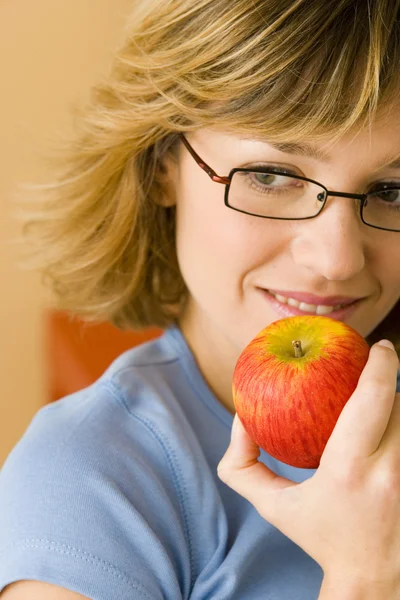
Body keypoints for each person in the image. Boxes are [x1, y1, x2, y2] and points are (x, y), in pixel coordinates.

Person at [1, 0, 400, 598]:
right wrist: (366, 578)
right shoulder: (87, 483)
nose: (337, 259)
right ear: (163, 164)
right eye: (270, 175)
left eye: (392, 189)